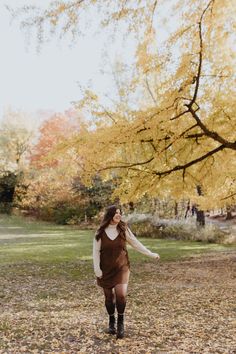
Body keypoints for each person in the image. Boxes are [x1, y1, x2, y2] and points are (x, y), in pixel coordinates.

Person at [93, 205, 160, 339]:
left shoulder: (123, 229)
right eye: (116, 213)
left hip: (121, 267)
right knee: (108, 298)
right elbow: (95, 252)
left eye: (120, 213)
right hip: (105, 268)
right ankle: (111, 320)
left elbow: (136, 243)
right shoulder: (100, 232)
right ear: (110, 215)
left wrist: (150, 254)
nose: (119, 215)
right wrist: (97, 269)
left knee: (121, 295)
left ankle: (120, 324)